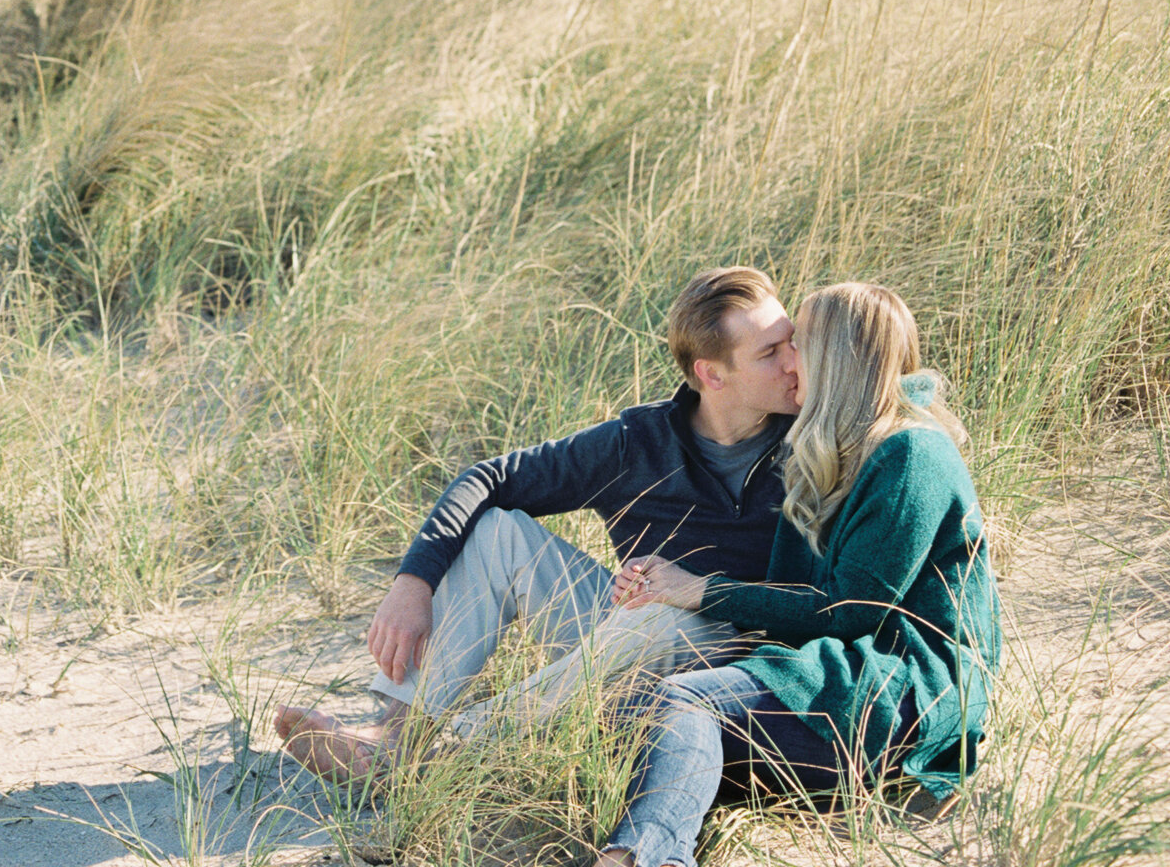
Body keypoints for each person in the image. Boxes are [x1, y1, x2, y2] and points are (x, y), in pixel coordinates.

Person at [487, 281, 1001, 867]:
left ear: (838, 359)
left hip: (900, 691)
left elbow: (849, 610)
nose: (789, 363)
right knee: (645, 718)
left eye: (800, 346)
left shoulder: (910, 454)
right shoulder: (834, 446)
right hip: (831, 678)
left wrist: (701, 592)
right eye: (781, 348)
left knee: (686, 703)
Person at [274, 266, 804, 782]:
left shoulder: (815, 437)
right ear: (712, 374)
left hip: (735, 655)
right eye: (769, 352)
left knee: (666, 620)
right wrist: (412, 583)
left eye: (791, 342)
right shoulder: (637, 443)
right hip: (621, 645)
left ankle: (462, 753)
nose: (794, 362)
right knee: (497, 532)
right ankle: (397, 734)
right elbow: (487, 479)